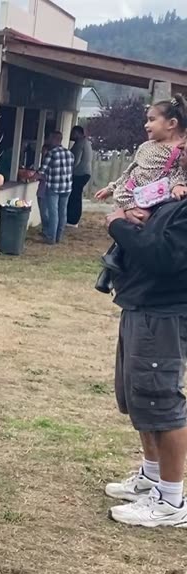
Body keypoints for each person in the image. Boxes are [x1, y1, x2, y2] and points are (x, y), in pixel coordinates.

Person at [102, 194, 187, 527]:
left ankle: (170, 500)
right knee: (140, 397)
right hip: (143, 306)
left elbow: (163, 256)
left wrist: (119, 226)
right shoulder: (175, 197)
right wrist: (145, 219)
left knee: (161, 401)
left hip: (163, 314)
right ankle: (152, 477)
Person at [95, 96, 187, 220]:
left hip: (152, 203)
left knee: (141, 220)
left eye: (152, 120)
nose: (146, 125)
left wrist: (178, 185)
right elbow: (130, 171)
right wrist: (111, 188)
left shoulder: (180, 148)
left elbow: (179, 172)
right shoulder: (145, 146)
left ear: (172, 123)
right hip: (128, 195)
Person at [38, 130, 74, 244]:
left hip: (53, 187)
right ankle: (59, 236)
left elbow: (42, 170)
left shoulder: (51, 153)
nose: (48, 141)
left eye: (50, 138)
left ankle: (51, 237)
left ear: (54, 139)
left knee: (53, 212)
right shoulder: (70, 154)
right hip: (67, 187)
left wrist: (32, 176)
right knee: (62, 212)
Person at [67, 126, 94, 226]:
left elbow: (75, 161)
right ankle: (73, 219)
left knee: (74, 196)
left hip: (79, 173)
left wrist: (68, 171)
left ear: (78, 133)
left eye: (73, 133)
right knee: (77, 196)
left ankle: (72, 219)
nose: (71, 135)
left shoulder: (79, 144)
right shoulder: (87, 143)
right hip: (86, 173)